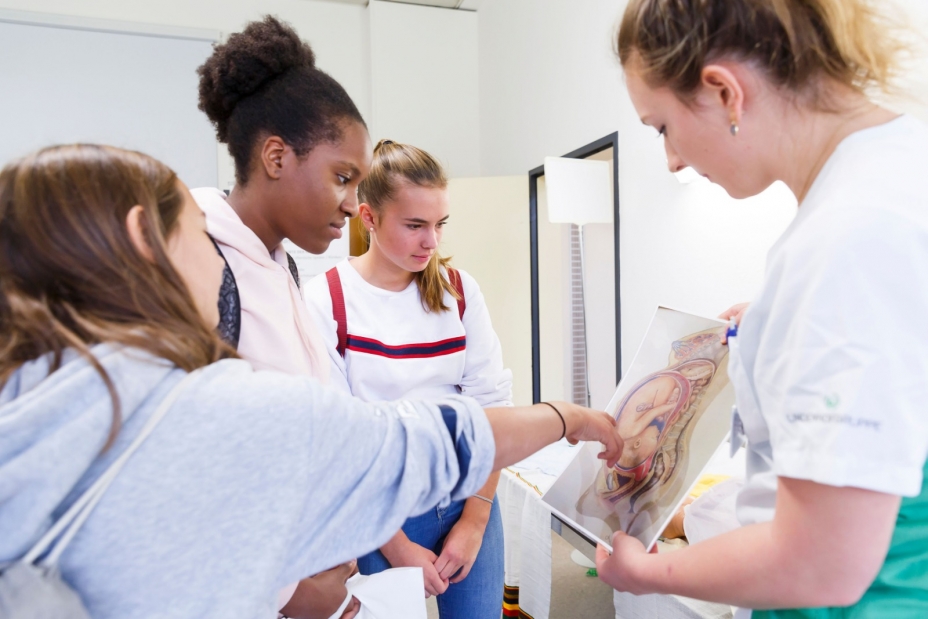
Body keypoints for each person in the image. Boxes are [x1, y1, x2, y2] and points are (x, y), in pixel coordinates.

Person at [0, 144, 625, 619]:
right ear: (145, 239)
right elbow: (410, 444)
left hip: (453, 503)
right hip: (389, 515)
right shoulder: (208, 405)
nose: (218, 259)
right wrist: (568, 418)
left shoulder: (28, 400)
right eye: (201, 235)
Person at [595, 0, 928, 616]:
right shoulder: (899, 170)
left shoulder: (845, 240)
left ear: (724, 92)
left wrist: (648, 571)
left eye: (661, 127)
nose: (671, 159)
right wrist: (782, 323)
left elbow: (822, 563)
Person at [194, 17, 371, 616]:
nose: (353, 205)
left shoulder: (284, 269)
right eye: (342, 178)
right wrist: (289, 594)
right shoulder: (201, 263)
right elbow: (179, 471)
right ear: (276, 156)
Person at [305, 140, 508, 618]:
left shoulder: (459, 292)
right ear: (369, 217)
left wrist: (475, 520)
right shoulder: (327, 300)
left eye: (439, 225)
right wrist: (397, 548)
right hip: (380, 516)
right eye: (415, 225)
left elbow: (493, 409)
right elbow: (342, 441)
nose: (431, 242)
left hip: (469, 499)